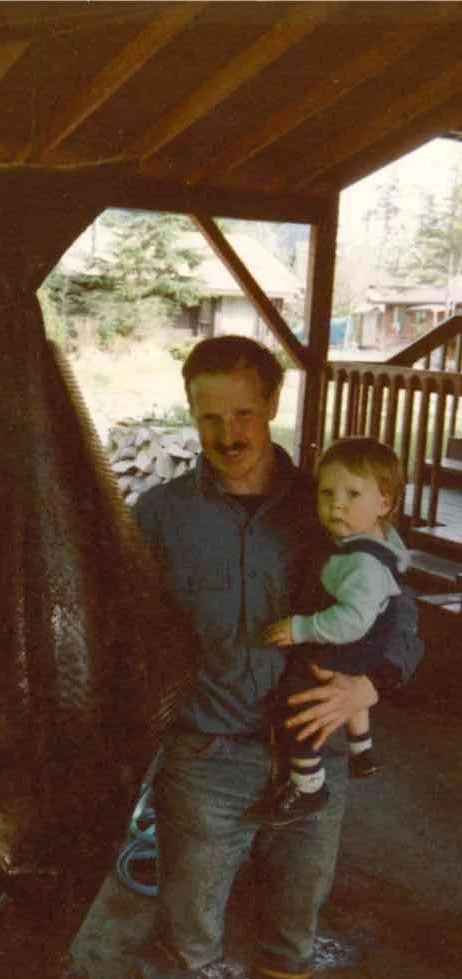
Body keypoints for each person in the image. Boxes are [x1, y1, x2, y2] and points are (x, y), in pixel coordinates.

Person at [131, 336, 388, 979]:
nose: (229, 433)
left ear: (273, 402)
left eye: (243, 412)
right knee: (187, 950)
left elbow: (399, 616)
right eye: (210, 417)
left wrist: (369, 688)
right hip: (204, 758)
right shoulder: (159, 516)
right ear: (190, 415)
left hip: (314, 751)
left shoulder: (330, 504)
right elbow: (124, 634)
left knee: (290, 943)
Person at [263, 437, 410, 826]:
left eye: (352, 493)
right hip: (367, 639)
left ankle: (308, 783)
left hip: (354, 638)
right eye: (326, 493)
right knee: (349, 688)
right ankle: (363, 749)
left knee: (301, 699)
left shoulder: (360, 563)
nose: (336, 504)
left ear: (385, 503)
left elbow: (351, 621)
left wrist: (302, 628)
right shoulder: (375, 540)